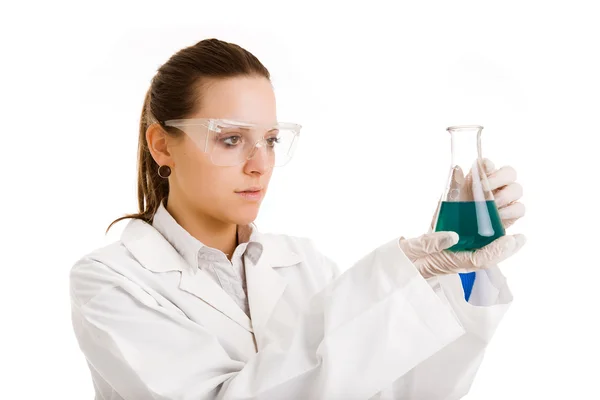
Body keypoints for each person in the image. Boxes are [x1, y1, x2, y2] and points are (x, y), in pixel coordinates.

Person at [69, 38, 527, 399]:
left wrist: (458, 266)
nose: (259, 164)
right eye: (230, 139)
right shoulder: (111, 282)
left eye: (269, 139)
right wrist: (393, 275)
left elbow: (399, 391)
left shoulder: (303, 264)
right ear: (162, 145)